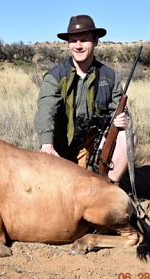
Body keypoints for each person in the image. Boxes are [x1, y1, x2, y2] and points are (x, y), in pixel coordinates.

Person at [34, 15, 129, 184]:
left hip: (94, 146)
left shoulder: (110, 77)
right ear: (68, 44)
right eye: (73, 40)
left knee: (128, 136)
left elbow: (118, 111)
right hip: (61, 147)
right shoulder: (55, 76)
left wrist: (122, 119)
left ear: (96, 41)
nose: (78, 46)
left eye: (83, 40)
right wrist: (47, 145)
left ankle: (110, 184)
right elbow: (45, 111)